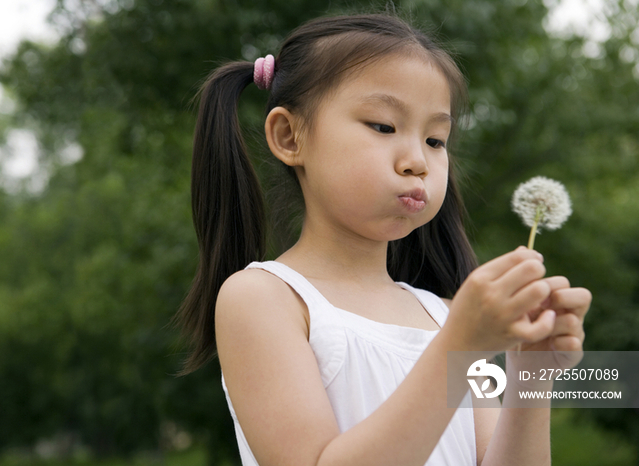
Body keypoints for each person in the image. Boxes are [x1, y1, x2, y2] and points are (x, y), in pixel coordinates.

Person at [174, 11, 592, 466]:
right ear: (289, 136)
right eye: (383, 126)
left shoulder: (444, 315)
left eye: (436, 139)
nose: (418, 160)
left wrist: (532, 372)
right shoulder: (263, 298)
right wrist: (458, 344)